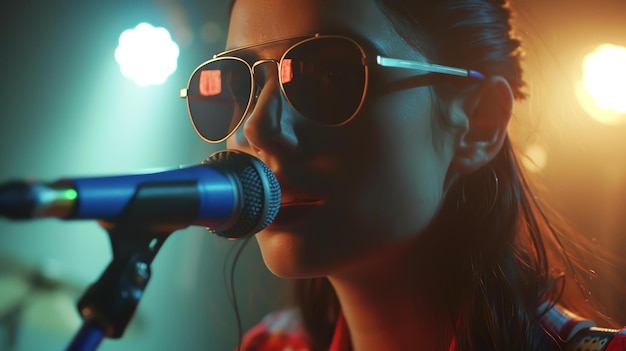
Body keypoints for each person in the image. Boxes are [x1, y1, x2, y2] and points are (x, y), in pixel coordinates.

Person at [180, 0, 626, 349]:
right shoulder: (270, 347)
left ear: (481, 121)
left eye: (329, 74)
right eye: (241, 84)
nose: (255, 128)